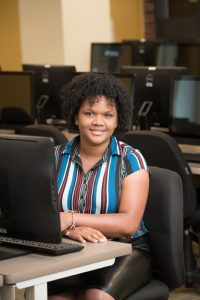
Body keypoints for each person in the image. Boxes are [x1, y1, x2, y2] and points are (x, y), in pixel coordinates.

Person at [48, 72, 152, 300]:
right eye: (89, 113)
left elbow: (128, 224)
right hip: (73, 246)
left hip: (127, 250)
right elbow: (42, 215)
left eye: (107, 115)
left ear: (117, 120)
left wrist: (70, 218)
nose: (98, 122)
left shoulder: (130, 159)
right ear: (75, 116)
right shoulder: (54, 157)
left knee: (95, 297)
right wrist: (69, 229)